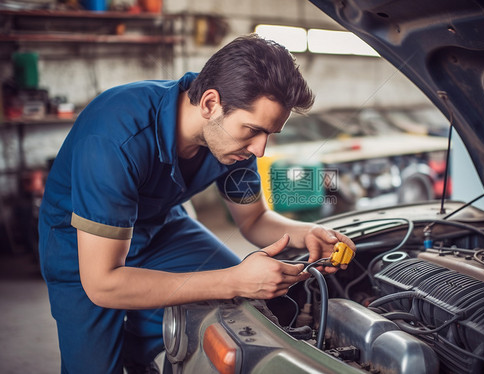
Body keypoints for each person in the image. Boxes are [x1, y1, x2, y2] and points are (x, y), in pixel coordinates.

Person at [38, 34, 355, 374]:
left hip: (161, 225)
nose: (259, 149)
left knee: (242, 307)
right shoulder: (115, 136)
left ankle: (140, 340)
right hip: (80, 244)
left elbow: (254, 220)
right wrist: (234, 278)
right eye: (252, 130)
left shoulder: (235, 140)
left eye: (269, 135)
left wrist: (306, 233)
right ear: (209, 104)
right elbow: (103, 283)